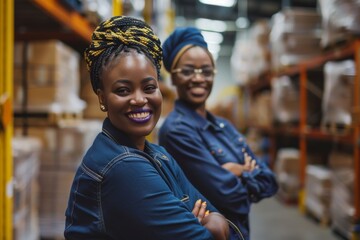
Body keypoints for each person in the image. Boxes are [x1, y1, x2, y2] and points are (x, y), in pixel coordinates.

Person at [64, 16, 233, 240]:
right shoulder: (122, 168)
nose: (139, 100)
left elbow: (219, 218)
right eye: (123, 90)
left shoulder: (159, 155)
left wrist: (216, 223)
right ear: (102, 98)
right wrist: (209, 227)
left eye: (149, 87)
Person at [158, 26, 279, 240]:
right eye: (187, 71)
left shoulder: (223, 125)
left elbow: (269, 181)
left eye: (206, 70)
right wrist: (247, 171)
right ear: (174, 78)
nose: (198, 78)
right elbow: (234, 199)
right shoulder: (177, 131)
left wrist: (237, 172)